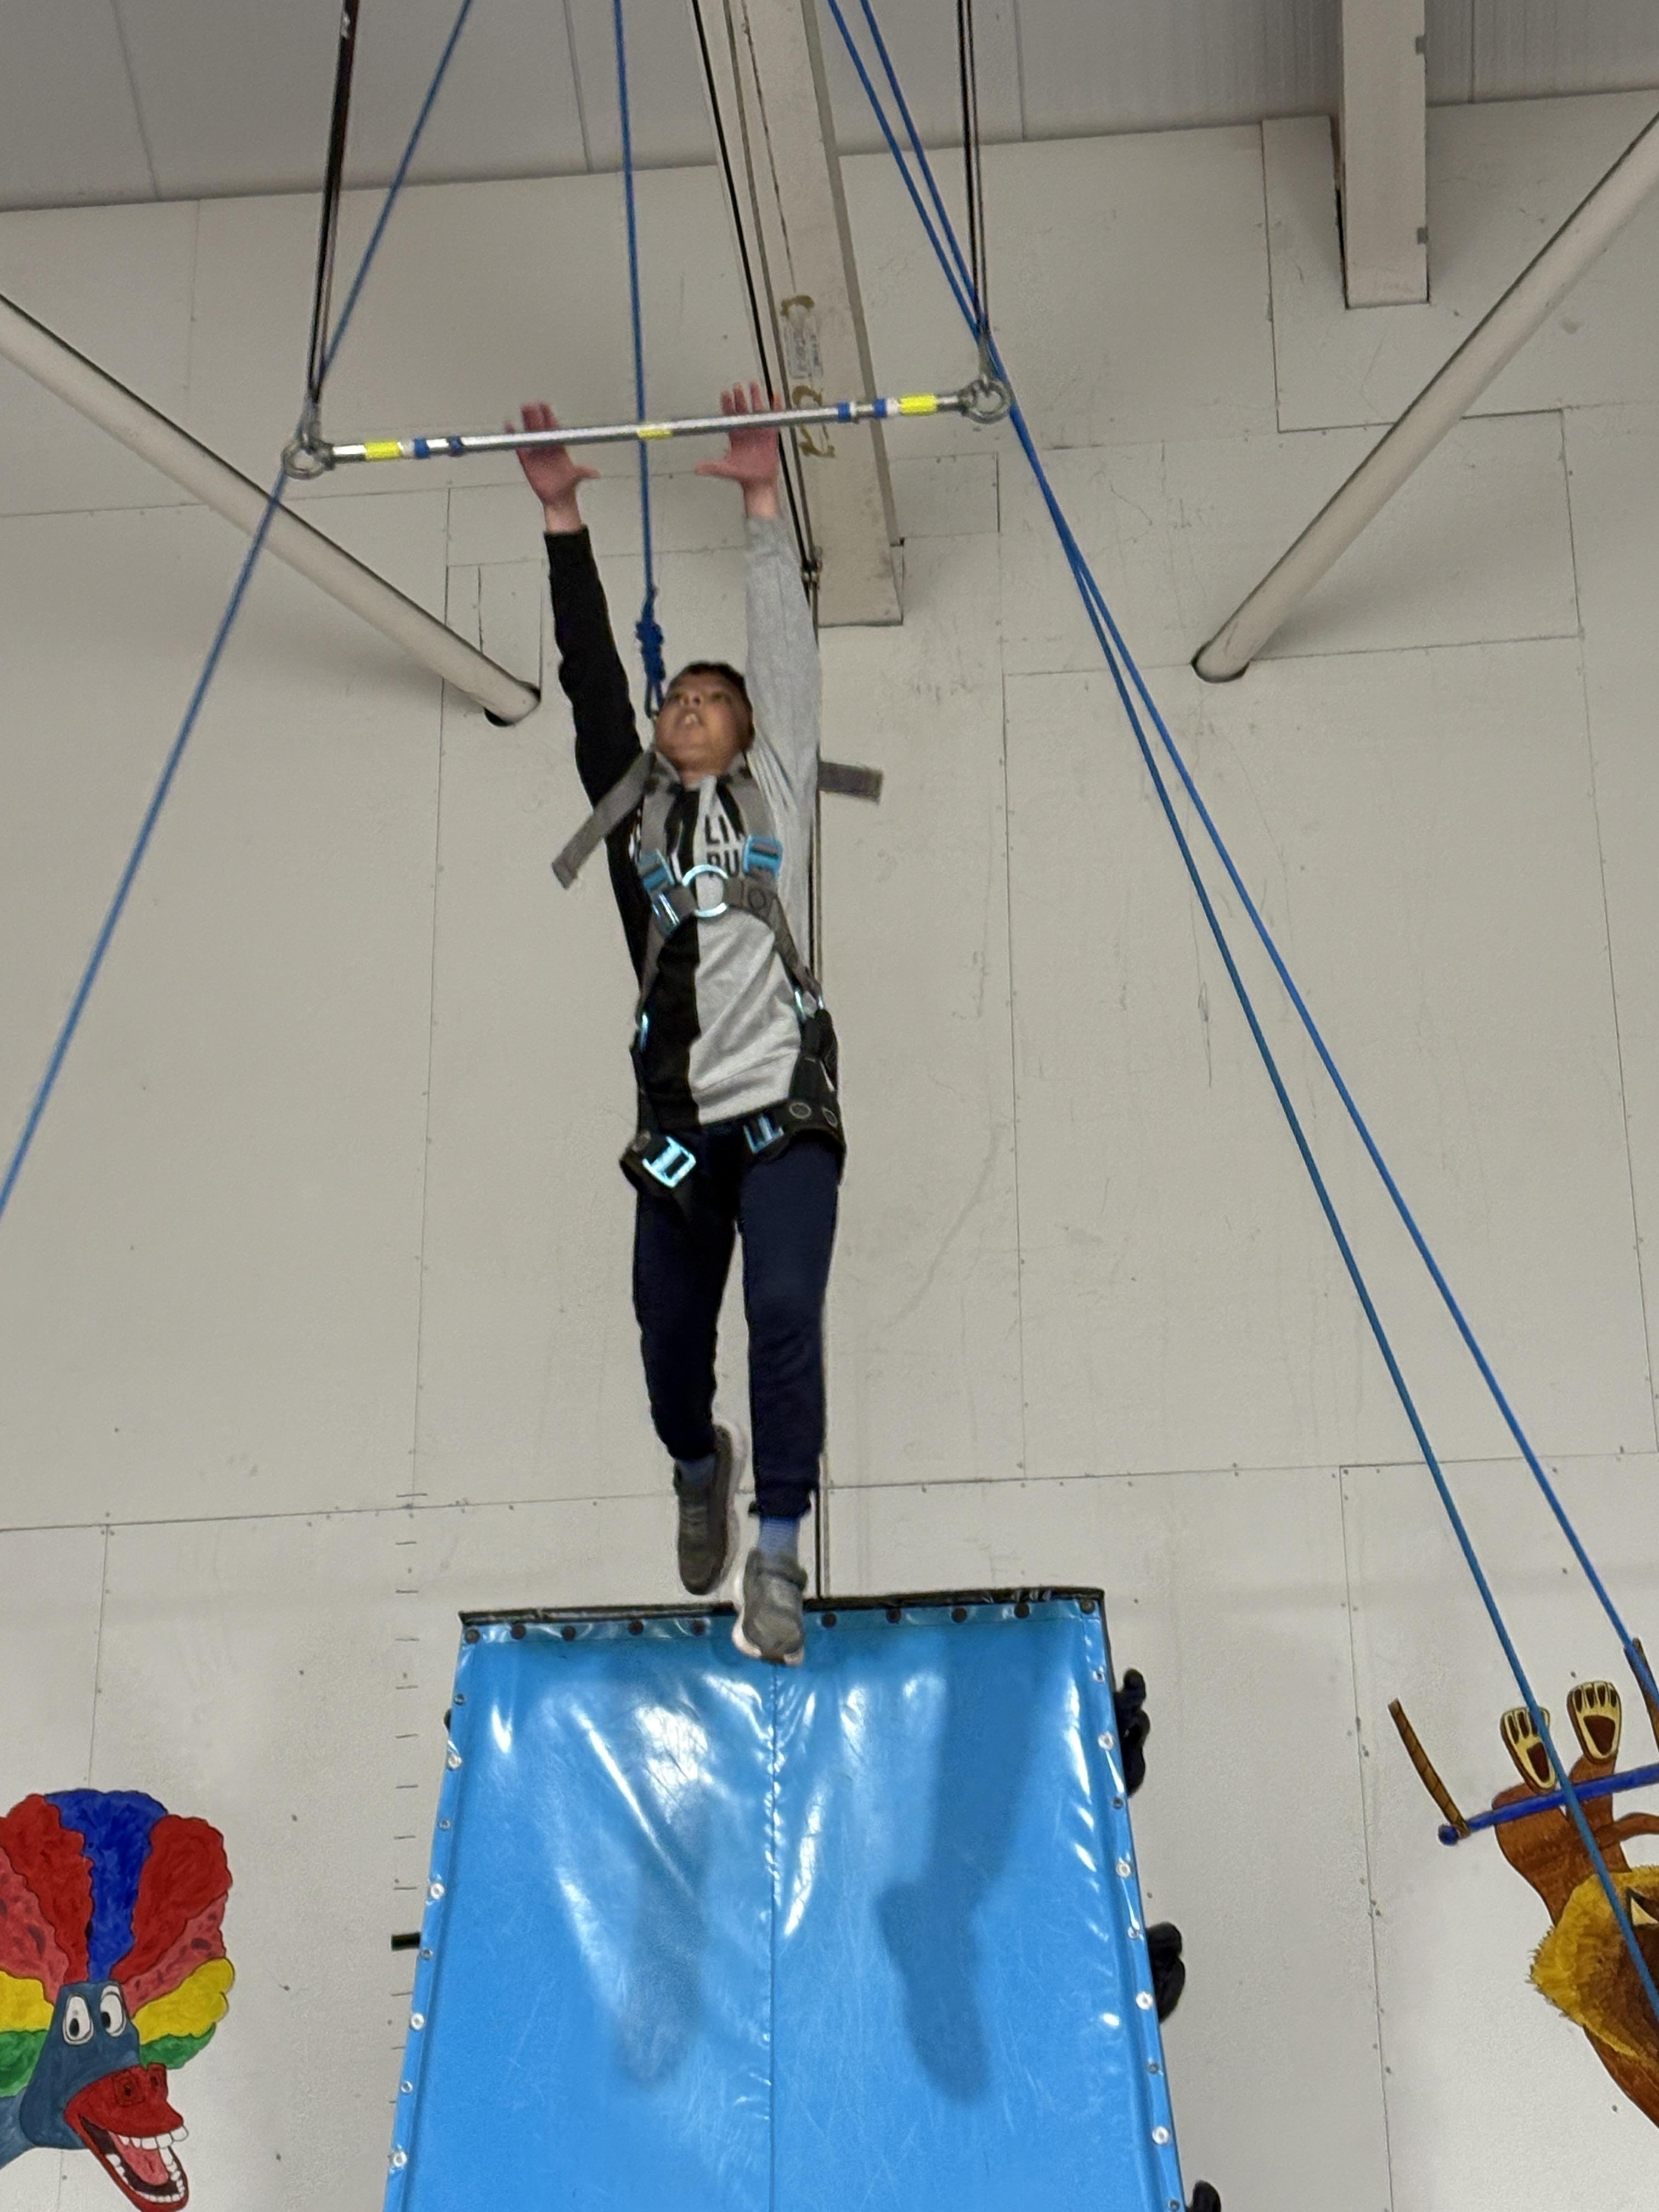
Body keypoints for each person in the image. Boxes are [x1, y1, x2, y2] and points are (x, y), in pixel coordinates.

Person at [518, 383, 842, 1666]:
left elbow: (784, 651)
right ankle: (699, 1461)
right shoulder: (634, 820)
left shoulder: (779, 794)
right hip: (675, 1129)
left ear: (753, 730)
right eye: (680, 699)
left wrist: (764, 499)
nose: (692, 706)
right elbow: (592, 683)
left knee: (784, 1309)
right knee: (667, 1346)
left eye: (715, 697)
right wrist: (562, 523)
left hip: (783, 1111)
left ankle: (778, 1554)